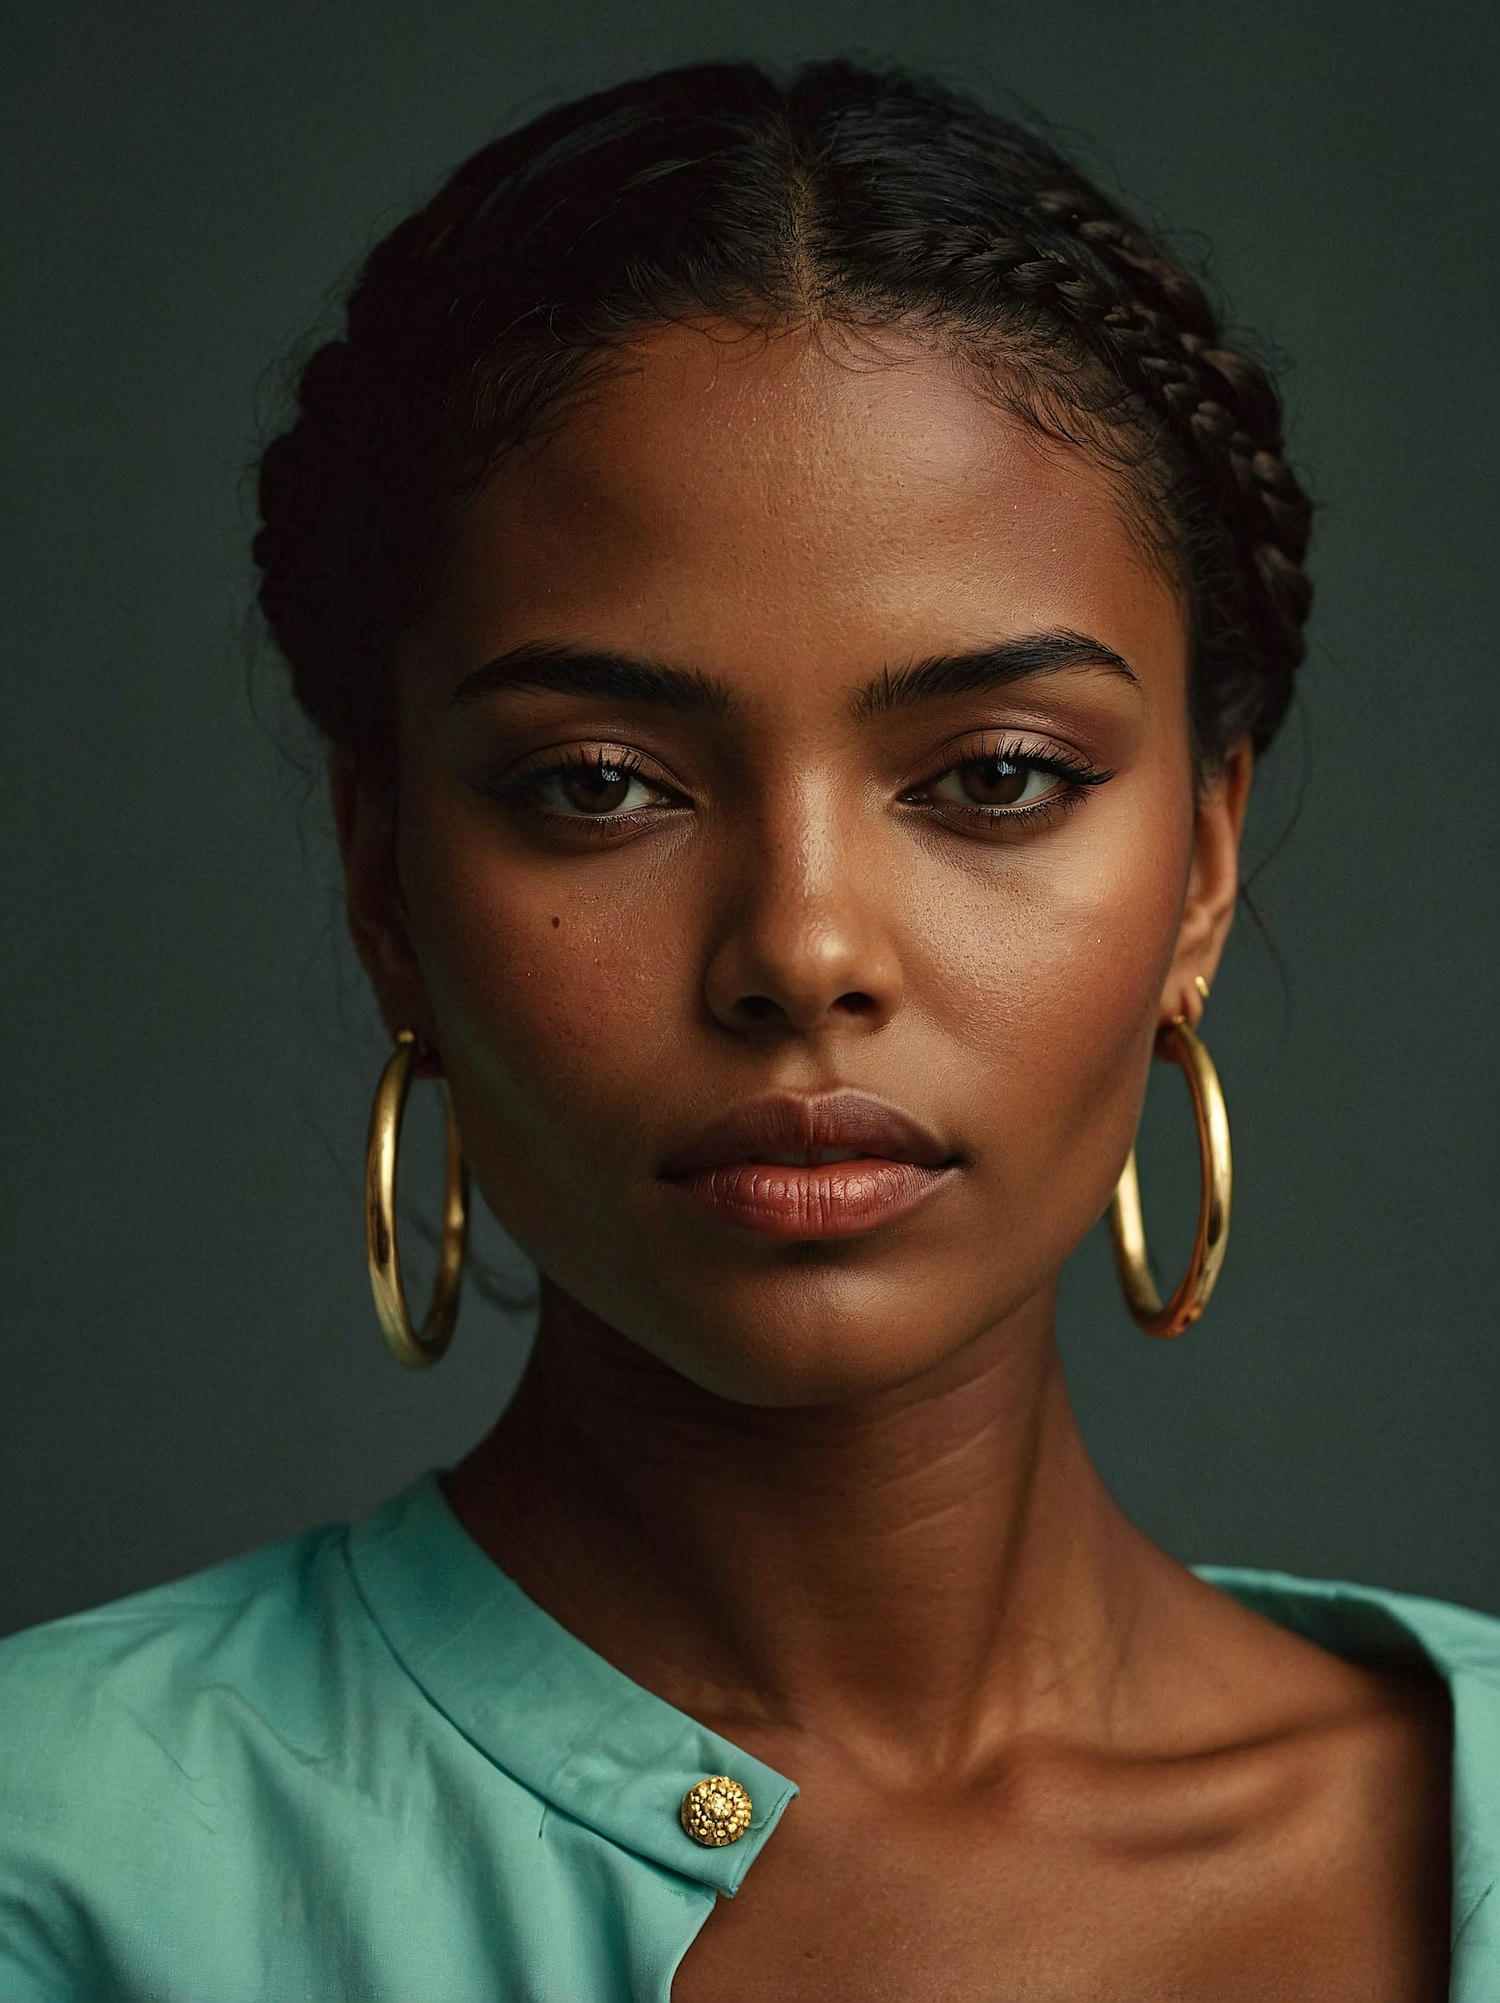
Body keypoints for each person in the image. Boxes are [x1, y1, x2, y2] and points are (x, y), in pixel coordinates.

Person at [1, 56, 1494, 2003]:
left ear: (1203, 862)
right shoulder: (63, 1871)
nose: (801, 949)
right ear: (387, 880)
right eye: (602, 785)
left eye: (1000, 774)